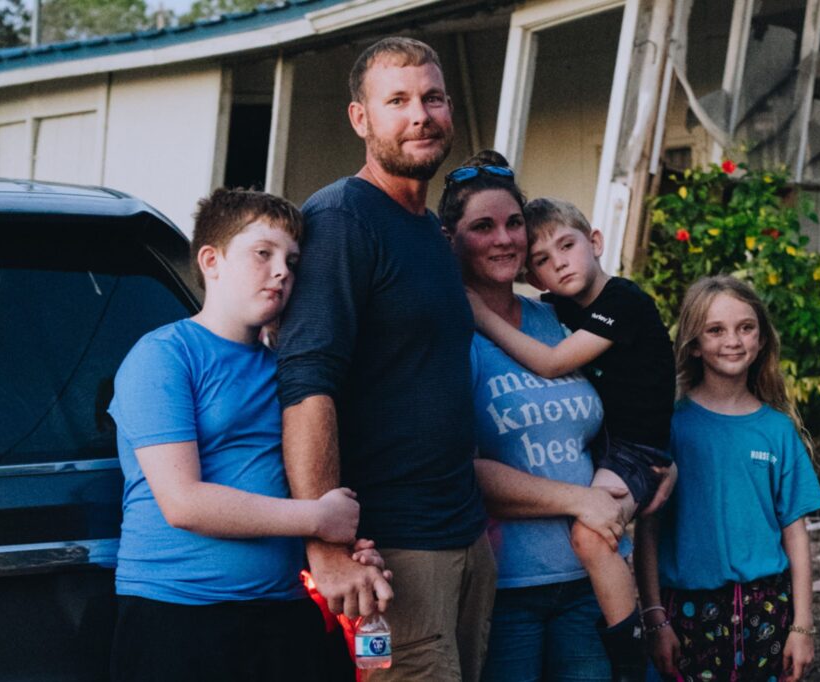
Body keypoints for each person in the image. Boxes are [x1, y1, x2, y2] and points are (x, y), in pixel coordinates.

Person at [276, 37, 495, 682]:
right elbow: (306, 384)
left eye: (432, 98)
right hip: (390, 554)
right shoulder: (343, 220)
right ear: (361, 119)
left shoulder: (429, 231)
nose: (419, 115)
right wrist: (326, 545)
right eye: (397, 101)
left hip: (462, 537)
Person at [108, 188, 384, 682]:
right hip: (177, 613)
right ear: (211, 260)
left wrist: (343, 553)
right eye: (264, 253)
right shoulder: (165, 355)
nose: (282, 271)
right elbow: (184, 503)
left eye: (292, 261)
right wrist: (319, 518)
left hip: (282, 612)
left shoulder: (291, 369)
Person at [468, 196, 676, 678]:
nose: (558, 261)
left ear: (595, 242)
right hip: (610, 448)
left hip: (635, 449)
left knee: (591, 533)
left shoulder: (622, 301)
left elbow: (551, 362)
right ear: (532, 276)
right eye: (541, 259)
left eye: (567, 245)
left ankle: (629, 653)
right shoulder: (560, 306)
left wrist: (481, 315)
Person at [438, 149, 616, 682]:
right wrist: (580, 500)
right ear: (452, 240)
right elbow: (455, 468)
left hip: (591, 576)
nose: (504, 238)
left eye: (514, 222)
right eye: (483, 226)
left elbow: (618, 417)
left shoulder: (558, 317)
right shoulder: (450, 336)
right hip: (507, 589)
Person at [636, 275, 820, 682]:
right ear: (694, 343)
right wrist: (654, 618)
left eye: (745, 327)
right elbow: (647, 529)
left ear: (761, 339)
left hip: (768, 614)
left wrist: (803, 626)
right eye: (716, 330)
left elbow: (795, 532)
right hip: (681, 613)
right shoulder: (668, 426)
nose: (733, 341)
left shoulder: (777, 430)